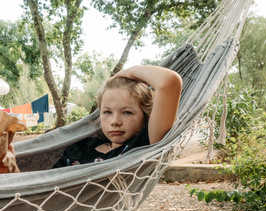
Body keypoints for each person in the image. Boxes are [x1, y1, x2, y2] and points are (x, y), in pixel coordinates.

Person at [53, 65, 182, 167]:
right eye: (107, 112)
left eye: (127, 112)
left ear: (145, 115)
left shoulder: (142, 145)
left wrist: (130, 72)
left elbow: (170, 81)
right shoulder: (81, 144)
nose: (115, 121)